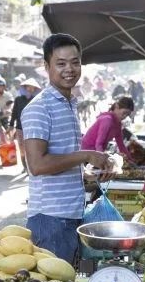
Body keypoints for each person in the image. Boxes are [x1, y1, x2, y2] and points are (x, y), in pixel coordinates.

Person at [21, 33, 113, 264]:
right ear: (46, 66)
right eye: (60, 64)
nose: (69, 69)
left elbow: (63, 156)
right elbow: (38, 165)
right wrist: (87, 155)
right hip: (51, 219)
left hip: (71, 213)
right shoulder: (39, 108)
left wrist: (86, 174)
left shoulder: (69, 103)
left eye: (75, 62)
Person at [8, 78, 41, 173]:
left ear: (34, 89)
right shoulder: (18, 100)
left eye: (32, 88)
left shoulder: (37, 100)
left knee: (32, 148)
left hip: (33, 127)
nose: (30, 89)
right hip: (20, 128)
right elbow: (14, 113)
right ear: (25, 88)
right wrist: (11, 125)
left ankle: (31, 166)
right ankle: (25, 167)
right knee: (22, 149)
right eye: (28, 87)